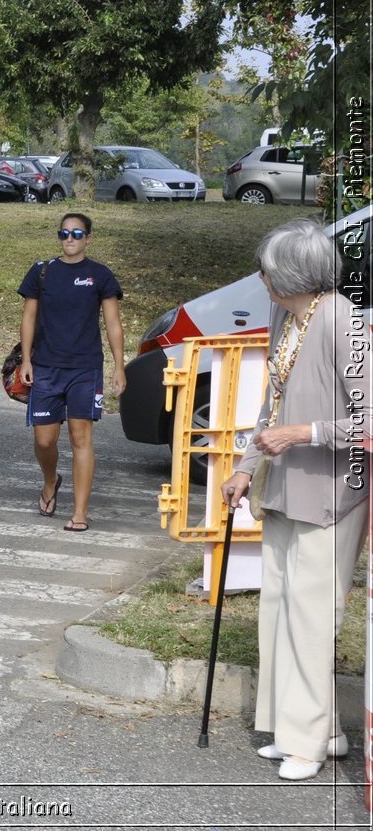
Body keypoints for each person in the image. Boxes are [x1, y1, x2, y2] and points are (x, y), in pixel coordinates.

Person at [220, 219, 370, 782]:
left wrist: (300, 434)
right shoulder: (286, 315)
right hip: (283, 487)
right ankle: (313, 730)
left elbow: (369, 418)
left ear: (295, 275)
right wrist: (244, 467)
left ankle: (306, 745)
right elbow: (271, 402)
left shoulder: (343, 322)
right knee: (279, 611)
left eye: (268, 270)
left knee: (311, 620)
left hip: (332, 493)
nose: (261, 278)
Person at [17, 213, 126, 531]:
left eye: (76, 233)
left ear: (88, 238)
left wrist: (119, 367)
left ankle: (79, 513)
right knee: (45, 440)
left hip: (84, 368)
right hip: (46, 366)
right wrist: (26, 360)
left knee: (81, 439)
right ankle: (50, 480)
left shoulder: (99, 275)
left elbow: (113, 324)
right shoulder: (42, 272)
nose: (69, 238)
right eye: (64, 233)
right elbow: (28, 317)